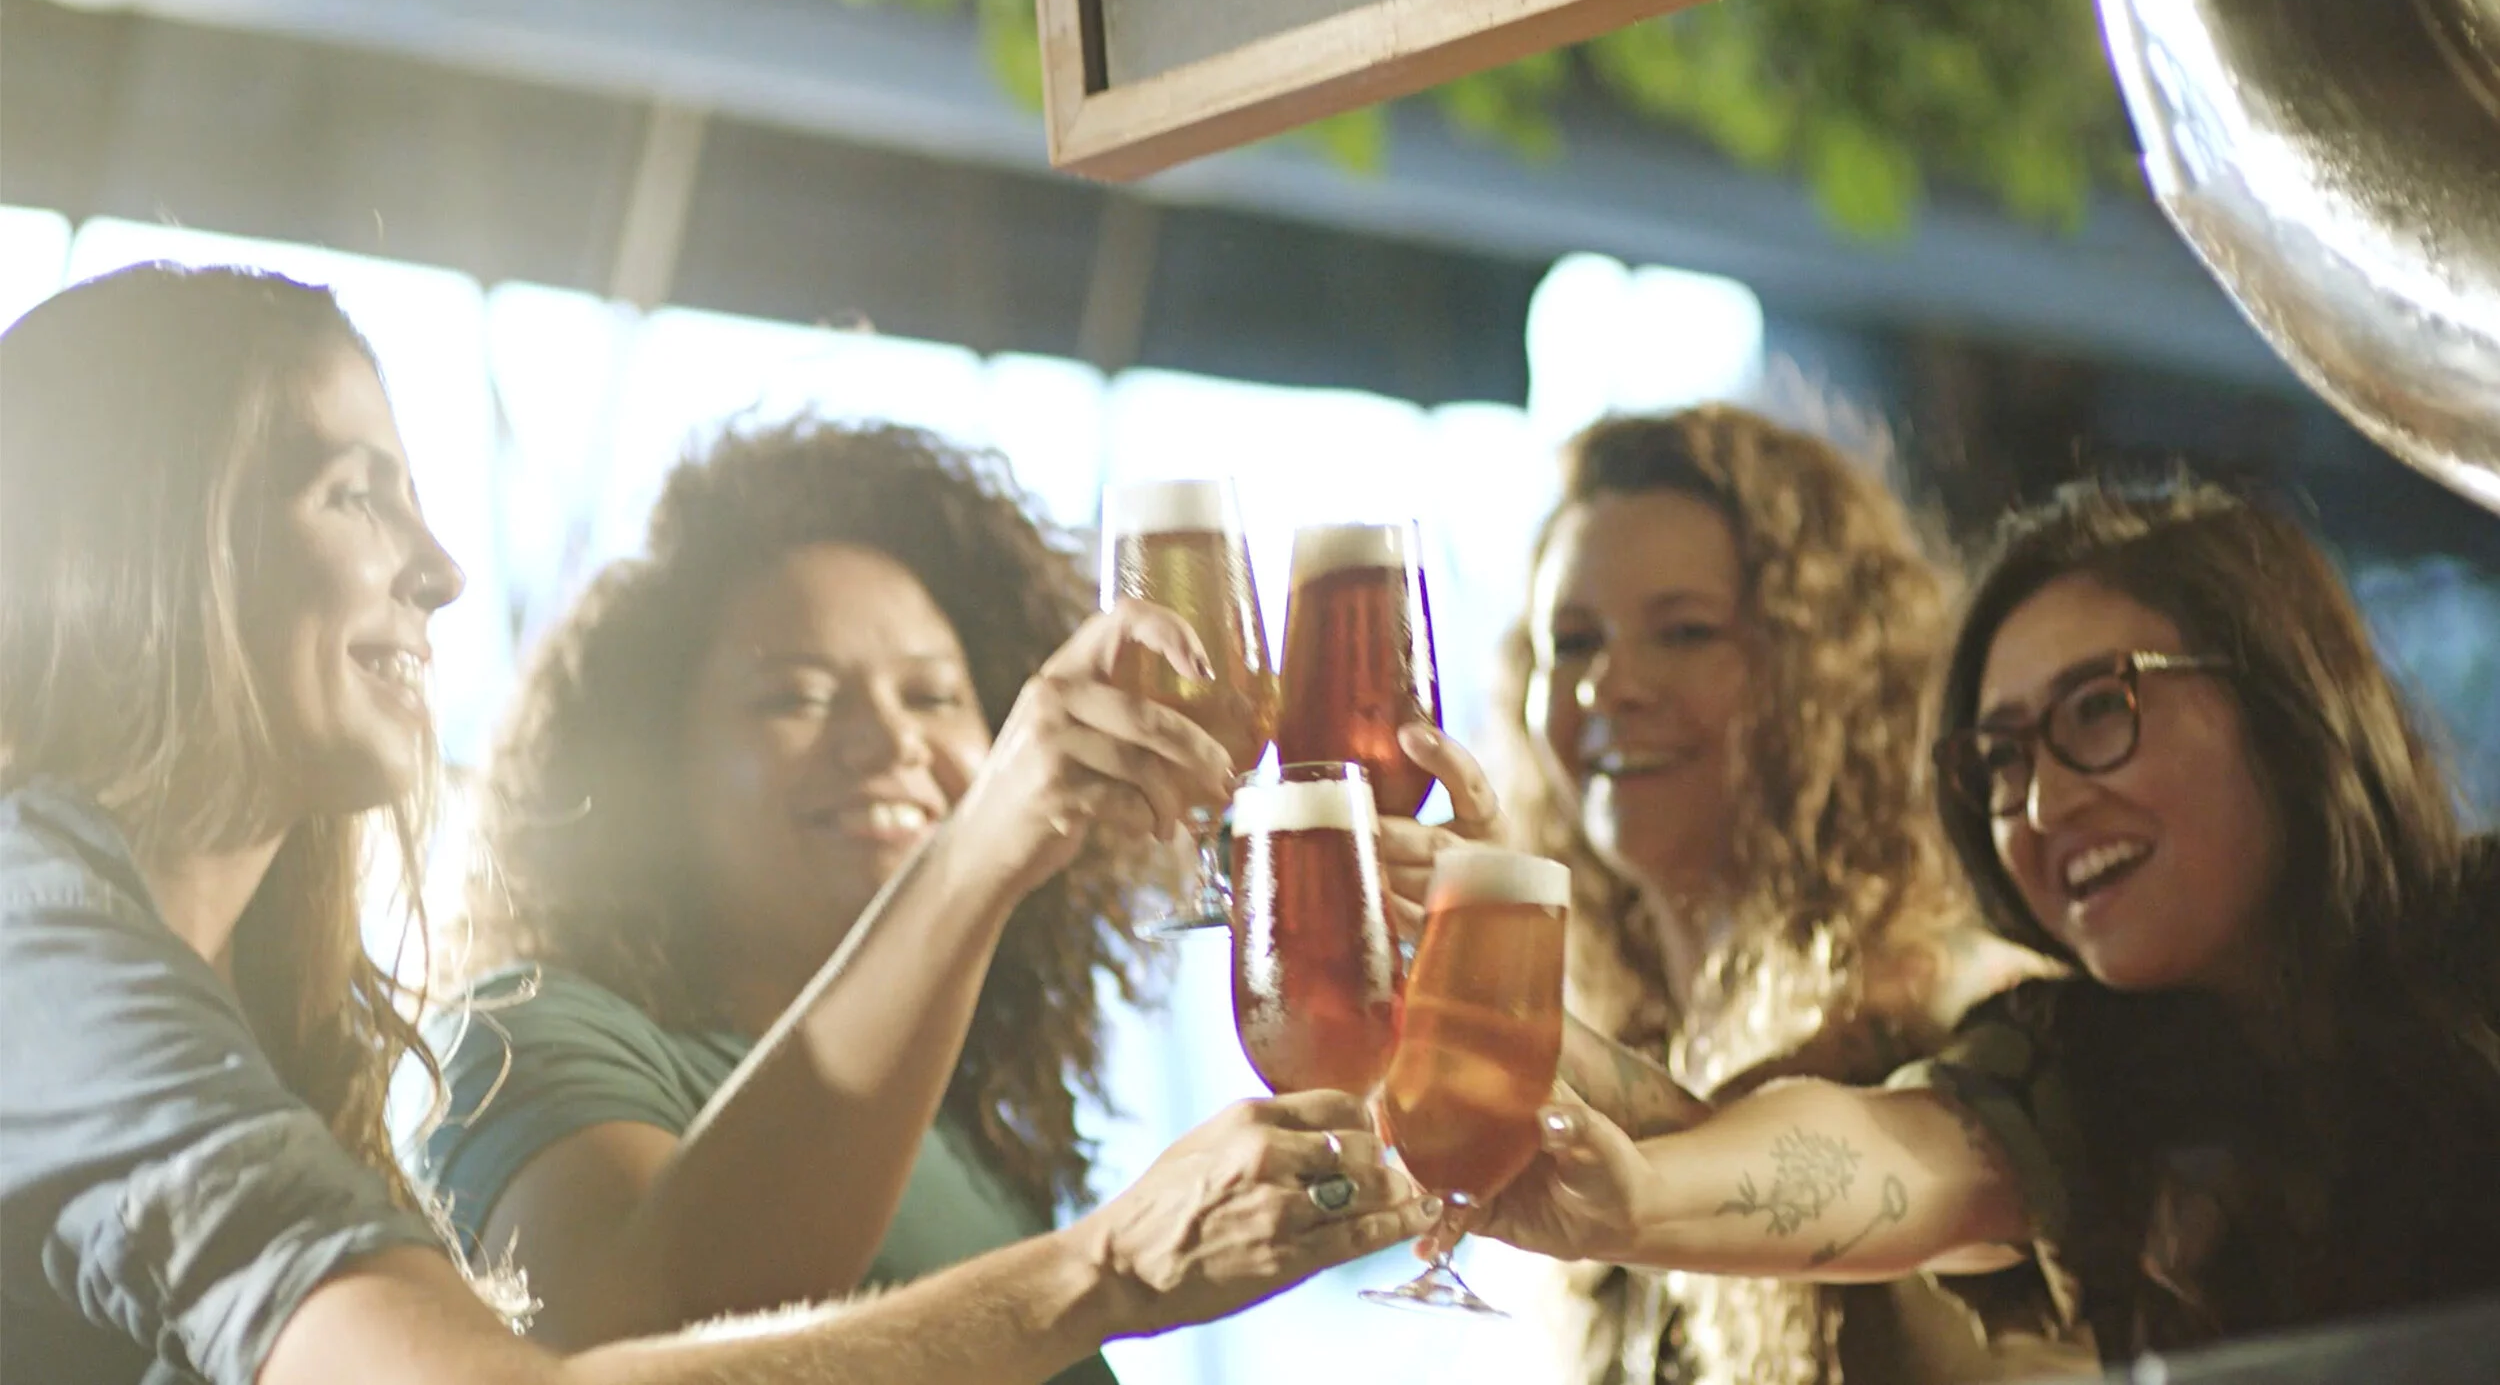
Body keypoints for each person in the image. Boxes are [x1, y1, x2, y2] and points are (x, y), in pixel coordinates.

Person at [0, 263, 1440, 1385]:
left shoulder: (246, 1000)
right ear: (138, 547)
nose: (437, 568)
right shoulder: (39, 949)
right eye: (352, 495)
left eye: (935, 692)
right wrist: (1102, 1270)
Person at [1457, 476, 2500, 1361]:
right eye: (2002, 758)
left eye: (2099, 707)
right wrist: (1625, 1191)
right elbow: (1884, 1153)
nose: (2042, 802)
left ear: (2282, 699)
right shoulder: (2085, 1067)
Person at [409, 421, 1278, 1375]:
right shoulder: (522, 1031)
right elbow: (626, 1347)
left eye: (933, 697)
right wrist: (978, 849)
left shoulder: (958, 1119)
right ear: (652, 767)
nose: (889, 741)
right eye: (797, 697)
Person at [1380, 408, 2068, 1384]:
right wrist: (1489, 962)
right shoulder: (1644, 1024)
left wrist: (1508, 995)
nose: (1608, 685)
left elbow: (1738, 1162)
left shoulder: (1968, 1007)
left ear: (1825, 664)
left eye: (1685, 631)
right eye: (1572, 641)